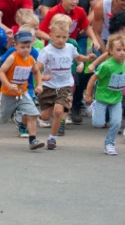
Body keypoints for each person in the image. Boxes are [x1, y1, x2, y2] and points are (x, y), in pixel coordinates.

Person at [37, 14, 95, 150]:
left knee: (58, 111)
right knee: (45, 116)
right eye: (57, 37)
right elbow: (37, 67)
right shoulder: (47, 51)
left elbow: (77, 57)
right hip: (49, 86)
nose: (61, 40)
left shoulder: (70, 47)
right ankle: (34, 113)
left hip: (64, 85)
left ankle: (52, 138)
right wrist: (41, 78)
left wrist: (87, 58)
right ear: (51, 35)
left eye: (64, 37)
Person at [0, 30, 45, 150]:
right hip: (8, 93)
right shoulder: (12, 58)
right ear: (15, 46)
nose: (25, 50)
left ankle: (33, 140)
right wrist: (8, 85)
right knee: (3, 118)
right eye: (22, 47)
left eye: (28, 47)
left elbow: (36, 72)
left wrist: (39, 85)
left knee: (32, 114)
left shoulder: (30, 59)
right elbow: (1, 72)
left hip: (23, 92)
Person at [84, 34, 125, 156]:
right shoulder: (106, 66)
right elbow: (93, 78)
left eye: (124, 50)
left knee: (116, 123)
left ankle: (109, 144)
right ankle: (94, 107)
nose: (122, 53)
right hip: (102, 98)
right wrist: (88, 94)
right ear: (110, 50)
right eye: (118, 50)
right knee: (98, 124)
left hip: (116, 99)